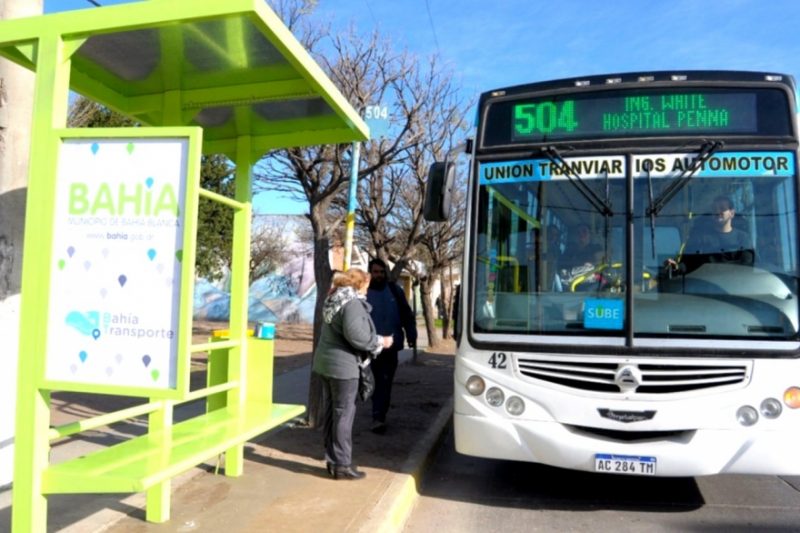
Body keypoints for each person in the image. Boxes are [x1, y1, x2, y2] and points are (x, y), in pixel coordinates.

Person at [312, 268, 393, 480]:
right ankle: (342, 464)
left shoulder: (334, 297)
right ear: (359, 284)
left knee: (332, 414)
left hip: (326, 364)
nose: (368, 289)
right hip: (343, 368)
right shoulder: (352, 303)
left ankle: (332, 459)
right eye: (366, 285)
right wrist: (381, 341)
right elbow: (357, 336)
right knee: (343, 415)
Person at [366, 258, 418, 434]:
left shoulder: (395, 291)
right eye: (375, 272)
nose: (379, 275)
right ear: (370, 273)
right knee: (373, 382)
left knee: (385, 382)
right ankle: (377, 412)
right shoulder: (363, 292)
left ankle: (379, 416)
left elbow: (406, 315)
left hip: (390, 347)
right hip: (368, 347)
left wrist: (411, 334)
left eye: (382, 272)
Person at [667, 195, 754, 274]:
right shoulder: (700, 238)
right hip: (704, 284)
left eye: (722, 208)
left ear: (732, 213)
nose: (717, 211)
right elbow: (688, 264)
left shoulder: (743, 238)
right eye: (714, 209)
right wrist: (676, 267)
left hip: (735, 284)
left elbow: (747, 266)